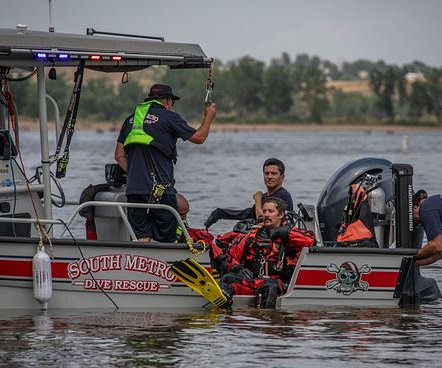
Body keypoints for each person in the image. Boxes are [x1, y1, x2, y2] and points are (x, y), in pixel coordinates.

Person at [115, 84, 216, 242]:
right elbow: (199, 138)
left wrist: (136, 175)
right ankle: (164, 266)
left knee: (141, 238)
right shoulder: (169, 117)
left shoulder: (130, 119)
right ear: (167, 101)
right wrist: (208, 117)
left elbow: (119, 155)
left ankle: (141, 265)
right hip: (160, 191)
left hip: (134, 189)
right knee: (167, 239)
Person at [218, 197, 316, 308]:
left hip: (276, 283)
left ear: (281, 214)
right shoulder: (252, 236)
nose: (266, 215)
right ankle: (223, 318)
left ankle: (268, 321)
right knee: (227, 279)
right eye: (264, 211)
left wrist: (285, 232)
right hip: (251, 281)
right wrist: (238, 269)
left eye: (271, 211)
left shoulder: (290, 235)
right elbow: (231, 255)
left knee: (271, 287)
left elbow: (311, 241)